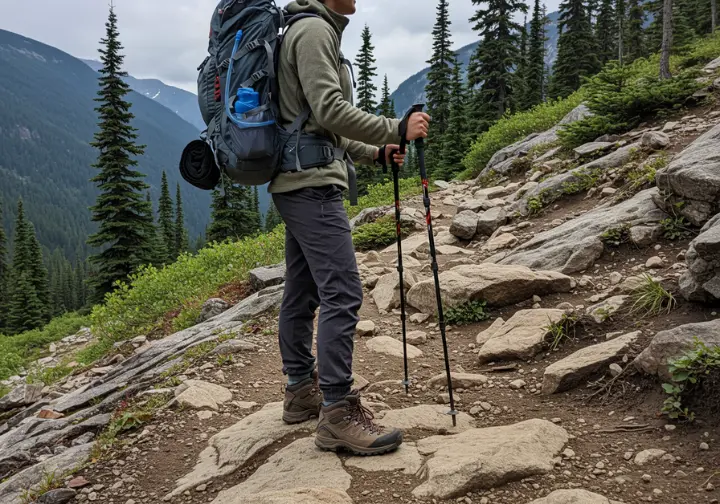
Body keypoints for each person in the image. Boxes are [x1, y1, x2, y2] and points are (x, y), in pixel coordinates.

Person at [268, 0, 430, 455]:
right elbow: (331, 109)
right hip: (312, 187)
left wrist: (375, 152)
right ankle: (337, 412)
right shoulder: (315, 32)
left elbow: (317, 123)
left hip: (298, 180)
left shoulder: (308, 29)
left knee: (303, 291)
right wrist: (395, 127)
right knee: (343, 292)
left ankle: (301, 391)